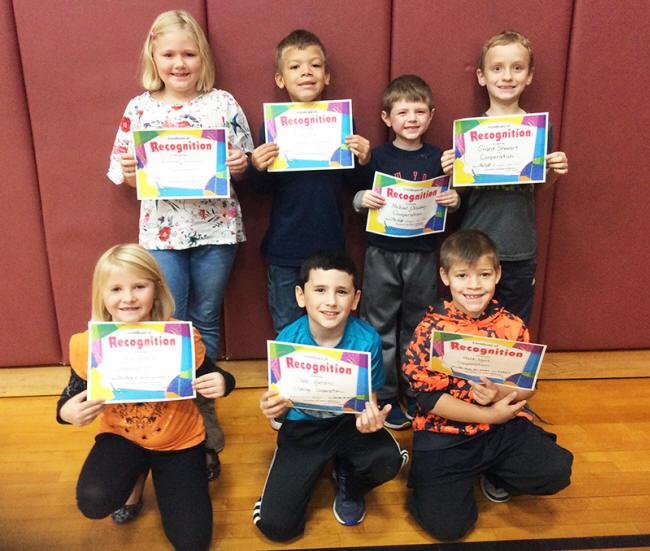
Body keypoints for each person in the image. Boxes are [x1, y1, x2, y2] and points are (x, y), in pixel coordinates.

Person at [107, 10, 253, 483]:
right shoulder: (139, 108)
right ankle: (167, 408)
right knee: (169, 321)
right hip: (163, 232)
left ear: (202, 57)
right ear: (154, 55)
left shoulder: (223, 102)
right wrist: (130, 172)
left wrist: (237, 164)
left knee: (206, 317)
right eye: (169, 54)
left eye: (189, 54)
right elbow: (120, 170)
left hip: (217, 231)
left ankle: (201, 407)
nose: (180, 63)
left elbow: (246, 161)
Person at [56, 244, 236, 551]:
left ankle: (192, 462)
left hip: (180, 440)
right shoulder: (91, 345)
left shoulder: (180, 337)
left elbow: (215, 373)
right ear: (102, 295)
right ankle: (136, 476)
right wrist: (67, 413)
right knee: (94, 500)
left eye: (139, 286)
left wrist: (223, 381)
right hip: (122, 438)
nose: (128, 298)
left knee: (192, 542)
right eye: (116, 288)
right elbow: (69, 398)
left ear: (157, 288)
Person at [402, 229, 573, 541]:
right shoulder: (430, 330)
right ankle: (440, 485)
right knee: (448, 528)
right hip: (445, 434)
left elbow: (528, 387)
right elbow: (427, 400)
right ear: (445, 276)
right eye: (463, 275)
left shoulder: (512, 325)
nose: (474, 285)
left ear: (497, 274)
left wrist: (500, 394)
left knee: (556, 470)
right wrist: (488, 414)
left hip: (501, 429)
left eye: (483, 274)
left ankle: (496, 474)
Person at [254, 251, 407, 541]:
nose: (331, 301)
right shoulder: (288, 340)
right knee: (277, 527)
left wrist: (371, 418)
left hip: (348, 423)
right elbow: (280, 403)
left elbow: (369, 400)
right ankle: (293, 473)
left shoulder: (367, 339)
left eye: (342, 292)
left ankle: (348, 477)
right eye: (320, 290)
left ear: (355, 299)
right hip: (304, 425)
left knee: (389, 460)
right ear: (301, 295)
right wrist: (274, 408)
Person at [246, 29, 371, 335]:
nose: (306, 72)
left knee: (331, 326)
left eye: (315, 66)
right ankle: (289, 382)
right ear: (280, 79)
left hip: (330, 246)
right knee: (288, 328)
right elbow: (260, 191)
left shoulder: (343, 123)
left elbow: (355, 183)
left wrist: (365, 160)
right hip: (285, 248)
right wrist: (256, 167)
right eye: (295, 66)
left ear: (327, 76)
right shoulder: (271, 126)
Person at [353, 75, 460, 429]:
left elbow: (454, 199)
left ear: (431, 115)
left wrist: (454, 199)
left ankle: (417, 391)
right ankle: (384, 395)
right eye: (402, 112)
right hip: (381, 253)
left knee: (418, 325)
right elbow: (353, 192)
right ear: (387, 118)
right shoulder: (376, 157)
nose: (411, 119)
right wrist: (361, 199)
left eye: (419, 111)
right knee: (379, 326)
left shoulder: (442, 159)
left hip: (423, 254)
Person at [441, 30, 569, 323]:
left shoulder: (538, 129)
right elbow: (459, 197)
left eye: (517, 68)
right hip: (474, 245)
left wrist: (554, 172)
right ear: (482, 76)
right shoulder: (469, 131)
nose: (507, 76)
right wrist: (452, 173)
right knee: (470, 323)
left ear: (529, 76)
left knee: (514, 324)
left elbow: (537, 186)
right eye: (497, 68)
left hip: (519, 247)